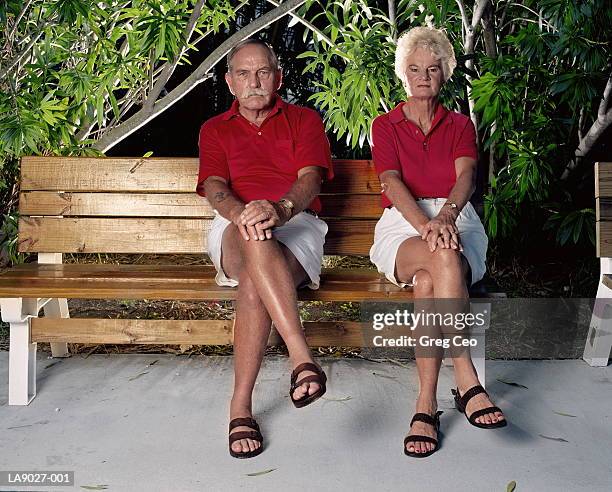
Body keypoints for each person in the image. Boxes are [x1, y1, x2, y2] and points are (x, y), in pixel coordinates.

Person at [369, 26, 507, 458]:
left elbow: (465, 175)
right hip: (402, 223)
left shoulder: (461, 125)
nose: (423, 76)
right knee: (440, 252)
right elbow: (390, 182)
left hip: (456, 216)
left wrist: (446, 215)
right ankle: (465, 377)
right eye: (414, 68)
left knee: (431, 279)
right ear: (402, 73)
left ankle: (425, 404)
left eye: (432, 68)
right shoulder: (385, 125)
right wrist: (427, 224)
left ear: (445, 73)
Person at [196, 38, 333, 459]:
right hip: (234, 226)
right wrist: (243, 214)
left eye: (262, 72)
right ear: (230, 82)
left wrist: (282, 208)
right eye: (243, 74)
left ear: (278, 76)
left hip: (296, 224)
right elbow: (215, 187)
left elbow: (310, 178)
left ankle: (240, 406)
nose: (254, 82)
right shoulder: (214, 129)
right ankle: (301, 357)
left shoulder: (304, 120)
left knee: (254, 283)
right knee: (255, 234)